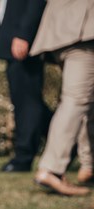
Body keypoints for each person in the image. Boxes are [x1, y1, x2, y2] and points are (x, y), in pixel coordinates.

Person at [30, 0, 94, 196]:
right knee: (76, 100)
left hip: (64, 29)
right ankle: (51, 170)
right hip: (82, 30)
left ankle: (88, 165)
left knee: (85, 101)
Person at [0, 0, 52, 174]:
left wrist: (24, 34)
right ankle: (70, 142)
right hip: (12, 39)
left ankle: (23, 157)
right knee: (27, 100)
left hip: (22, 40)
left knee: (28, 103)